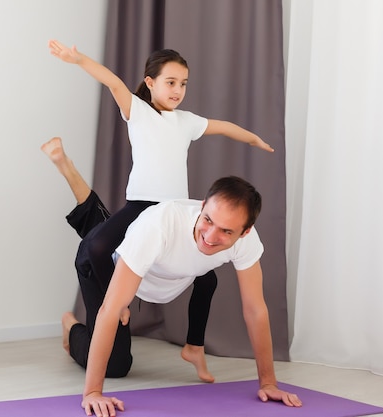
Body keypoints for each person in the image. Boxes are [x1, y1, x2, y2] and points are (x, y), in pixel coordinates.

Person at [48, 39, 274, 383]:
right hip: (141, 205)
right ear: (150, 82)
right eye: (170, 82)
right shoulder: (138, 112)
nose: (178, 90)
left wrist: (253, 139)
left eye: (183, 84)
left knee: (207, 276)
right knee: (95, 246)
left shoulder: (185, 121)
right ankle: (116, 304)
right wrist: (77, 58)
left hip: (173, 210)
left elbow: (222, 127)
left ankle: (194, 346)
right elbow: (112, 82)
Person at [48, 161, 303, 416]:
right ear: (202, 206)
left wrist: (269, 383)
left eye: (226, 231)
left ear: (245, 232)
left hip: (161, 271)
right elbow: (111, 308)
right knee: (117, 366)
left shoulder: (245, 243)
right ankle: (71, 327)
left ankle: (194, 348)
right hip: (107, 268)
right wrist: (92, 392)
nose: (211, 236)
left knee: (206, 277)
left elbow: (255, 309)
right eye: (208, 221)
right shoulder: (160, 226)